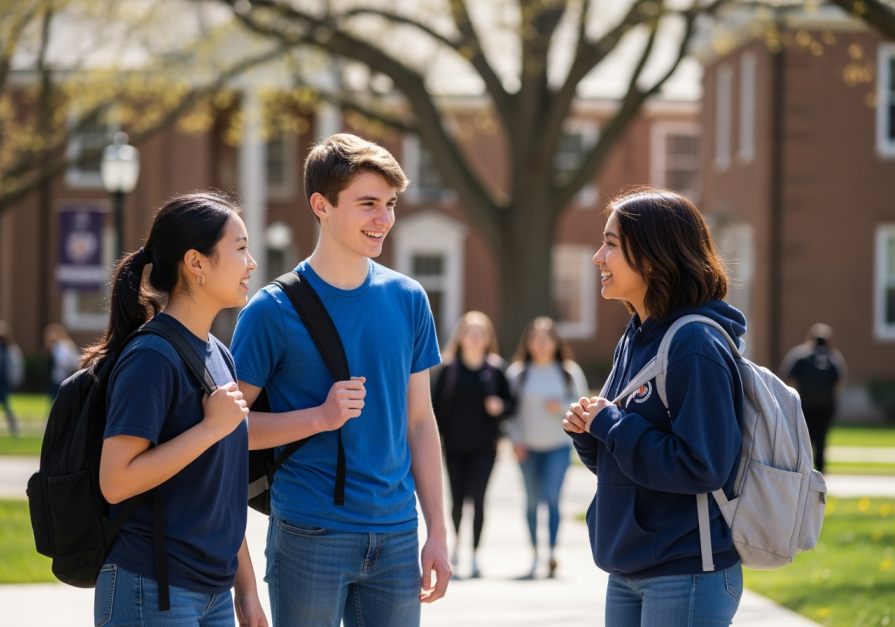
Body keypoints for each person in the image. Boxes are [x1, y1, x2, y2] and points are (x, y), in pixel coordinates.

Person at [230, 133, 450, 627]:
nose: (384, 219)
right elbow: (226, 429)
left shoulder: (409, 298)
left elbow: (419, 421)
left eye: (390, 204)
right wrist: (319, 417)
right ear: (320, 205)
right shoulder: (271, 311)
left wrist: (436, 531)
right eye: (368, 204)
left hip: (397, 533)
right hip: (310, 531)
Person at [563, 187, 745, 626]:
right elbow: (632, 463)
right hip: (629, 566)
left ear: (651, 257)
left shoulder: (693, 345)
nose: (597, 257)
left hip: (686, 572)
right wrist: (591, 433)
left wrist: (612, 426)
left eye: (610, 244)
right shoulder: (636, 338)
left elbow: (703, 466)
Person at [88, 191, 267, 626]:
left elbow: (221, 488)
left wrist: (246, 590)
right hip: (151, 588)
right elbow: (116, 480)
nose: (252, 263)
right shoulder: (152, 356)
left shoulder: (219, 355)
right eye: (240, 248)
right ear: (197, 263)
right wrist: (210, 429)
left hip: (214, 593)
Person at [433, 311, 514, 579]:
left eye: (481, 331)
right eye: (470, 331)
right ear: (461, 336)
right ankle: (457, 544)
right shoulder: (448, 370)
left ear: (488, 337)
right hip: (454, 447)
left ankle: (476, 554)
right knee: (457, 501)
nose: (476, 336)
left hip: (485, 448)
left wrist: (500, 407)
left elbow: (512, 404)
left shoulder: (496, 369)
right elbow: (433, 410)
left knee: (478, 499)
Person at [506, 316, 588, 579]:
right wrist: (515, 441)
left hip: (558, 447)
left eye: (546, 338)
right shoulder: (517, 374)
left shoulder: (568, 373)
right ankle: (534, 554)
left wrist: (561, 406)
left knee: (552, 498)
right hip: (526, 448)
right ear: (528, 343)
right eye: (535, 338)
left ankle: (552, 552)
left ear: (555, 342)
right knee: (531, 503)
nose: (540, 344)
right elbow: (511, 415)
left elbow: (583, 407)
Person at [779, 323, 847, 473]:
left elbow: (788, 377)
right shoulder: (832, 358)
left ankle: (805, 469)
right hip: (826, 406)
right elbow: (839, 381)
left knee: (804, 438)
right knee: (822, 438)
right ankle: (821, 470)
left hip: (806, 405)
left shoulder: (801, 355)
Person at [44, 323, 80, 400]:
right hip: (57, 377)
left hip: (62, 377)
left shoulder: (61, 347)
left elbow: (65, 362)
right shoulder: (62, 346)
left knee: (58, 399)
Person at [0, 320, 20, 437]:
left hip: (3, 382)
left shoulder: (9, 349)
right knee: (7, 406)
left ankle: (14, 429)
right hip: (3, 381)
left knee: (7, 406)